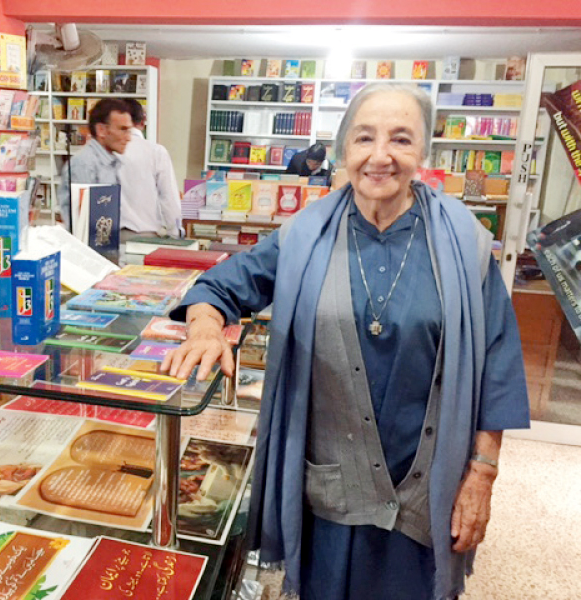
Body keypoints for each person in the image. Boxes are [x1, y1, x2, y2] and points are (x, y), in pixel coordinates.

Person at [162, 82, 530, 600]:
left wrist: (483, 474)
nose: (380, 156)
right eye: (364, 139)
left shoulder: (464, 241)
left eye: (401, 139)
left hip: (428, 485)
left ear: (424, 151)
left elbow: (497, 361)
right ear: (343, 150)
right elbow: (219, 286)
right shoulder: (304, 234)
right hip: (329, 487)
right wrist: (204, 326)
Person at [58, 97, 132, 228]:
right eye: (123, 129)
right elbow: (84, 223)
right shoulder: (84, 164)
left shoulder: (111, 162)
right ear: (101, 130)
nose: (128, 138)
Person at [118, 99, 183, 238]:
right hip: (144, 235)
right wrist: (175, 233)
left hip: (105, 236)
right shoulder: (155, 152)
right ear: (143, 121)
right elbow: (168, 198)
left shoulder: (104, 152)